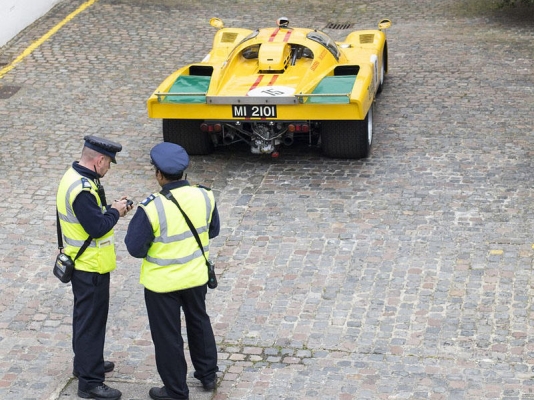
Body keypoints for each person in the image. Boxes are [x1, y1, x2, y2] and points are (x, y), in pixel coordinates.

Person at [125, 142, 220, 400]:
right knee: (199, 322)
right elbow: (213, 230)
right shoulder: (205, 195)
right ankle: (208, 374)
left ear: (158, 174)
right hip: (196, 275)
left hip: (162, 284)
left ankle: (176, 390)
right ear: (184, 172)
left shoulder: (152, 207)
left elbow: (134, 248)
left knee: (168, 337)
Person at [56, 135, 133, 400]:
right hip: (91, 265)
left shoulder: (73, 176)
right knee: (92, 323)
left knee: (84, 318)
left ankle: (85, 364)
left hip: (81, 262)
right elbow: (98, 227)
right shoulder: (83, 190)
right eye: (109, 163)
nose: (109, 168)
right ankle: (90, 382)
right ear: (99, 160)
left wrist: (109, 207)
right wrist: (117, 211)